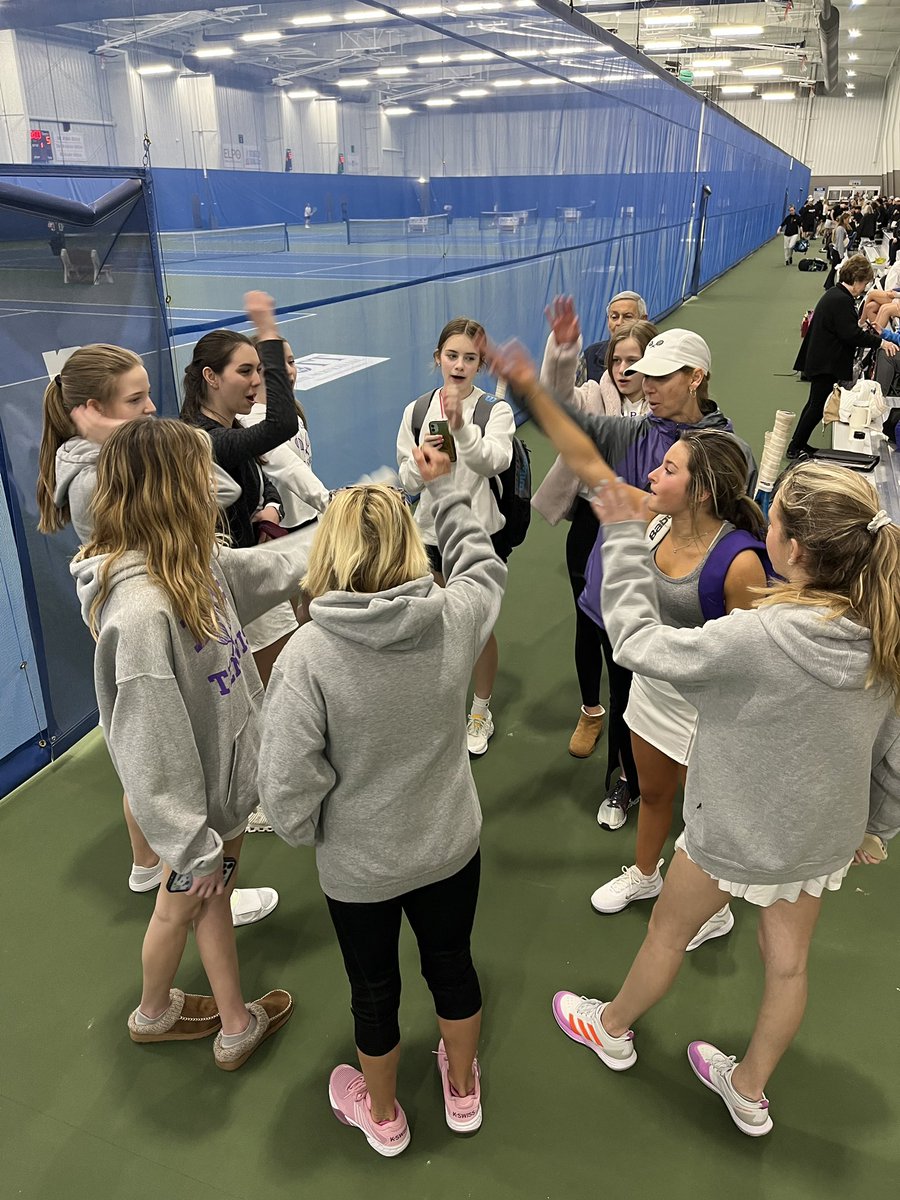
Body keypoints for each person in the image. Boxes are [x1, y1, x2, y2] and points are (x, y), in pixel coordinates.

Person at [550, 462, 900, 1138]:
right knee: (790, 965)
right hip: (819, 841)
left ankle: (612, 1027)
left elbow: (633, 643)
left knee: (667, 933)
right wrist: (873, 828)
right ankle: (748, 1089)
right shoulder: (884, 632)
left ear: (792, 550)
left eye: (771, 520)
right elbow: (892, 757)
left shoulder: (756, 636)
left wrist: (623, 536)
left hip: (729, 834)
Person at [257, 447, 506, 1156]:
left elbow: (286, 783)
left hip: (359, 867)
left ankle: (386, 1115)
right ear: (410, 542)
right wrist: (448, 491)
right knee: (452, 964)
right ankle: (462, 1090)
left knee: (373, 992)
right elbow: (484, 565)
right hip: (451, 845)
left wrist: (316, 831)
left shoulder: (308, 654)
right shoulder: (452, 618)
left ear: (326, 551)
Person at [72, 419, 315, 1067]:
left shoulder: (191, 561)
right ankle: (159, 1015)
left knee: (202, 904)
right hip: (196, 814)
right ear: (171, 490)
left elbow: (259, 569)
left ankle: (227, 1022)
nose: (217, 489)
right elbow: (149, 752)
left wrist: (330, 538)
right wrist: (191, 845)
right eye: (199, 476)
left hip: (221, 794)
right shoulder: (141, 614)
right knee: (178, 906)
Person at [36, 345, 276, 928]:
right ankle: (187, 875)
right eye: (136, 400)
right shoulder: (97, 478)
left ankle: (146, 862)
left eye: (149, 396)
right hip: (149, 617)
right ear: (94, 409)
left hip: (145, 610)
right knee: (165, 756)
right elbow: (220, 493)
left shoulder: (102, 457)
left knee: (139, 747)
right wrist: (153, 441)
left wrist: (125, 432)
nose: (151, 410)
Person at [495, 329, 756, 831]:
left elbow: (714, 532)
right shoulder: (637, 430)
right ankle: (627, 778)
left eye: (661, 376)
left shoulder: (725, 452)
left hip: (679, 609)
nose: (646, 384)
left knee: (686, 705)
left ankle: (689, 792)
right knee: (626, 694)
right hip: (619, 598)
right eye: (644, 375)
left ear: (695, 377)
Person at [584, 431, 769, 928]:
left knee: (705, 820)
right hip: (653, 689)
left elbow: (748, 659)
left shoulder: (740, 562)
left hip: (707, 709)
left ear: (702, 491)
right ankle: (646, 873)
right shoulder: (658, 520)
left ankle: (716, 911)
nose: (652, 476)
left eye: (668, 469)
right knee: (654, 791)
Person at [534, 296, 657, 761]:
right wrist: (564, 350)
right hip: (590, 523)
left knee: (636, 626)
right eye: (617, 360)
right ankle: (591, 709)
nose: (624, 368)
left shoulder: (662, 403)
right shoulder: (591, 394)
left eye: (634, 361)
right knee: (589, 624)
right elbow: (558, 398)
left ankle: (639, 713)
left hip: (648, 526)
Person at [396, 317, 514, 756]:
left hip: (476, 538)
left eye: (470, 358)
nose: (460, 364)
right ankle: (438, 706)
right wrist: (423, 462)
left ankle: (480, 710)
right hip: (427, 533)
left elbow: (494, 462)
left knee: (477, 626)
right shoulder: (415, 410)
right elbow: (408, 478)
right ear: (438, 359)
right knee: (432, 623)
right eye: (452, 356)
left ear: (480, 364)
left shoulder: (494, 411)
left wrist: (461, 427)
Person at [180, 292, 300, 687]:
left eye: (259, 371)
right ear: (211, 377)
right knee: (272, 693)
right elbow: (282, 425)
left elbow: (267, 483)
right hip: (230, 592)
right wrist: (267, 330)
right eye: (246, 371)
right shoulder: (201, 439)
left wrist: (270, 509)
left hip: (250, 579)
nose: (256, 381)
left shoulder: (232, 429)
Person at [787, 256, 893, 459]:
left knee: (814, 404)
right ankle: (795, 446)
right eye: (864, 283)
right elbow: (850, 334)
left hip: (822, 359)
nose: (863, 288)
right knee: (817, 406)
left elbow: (846, 329)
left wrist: (861, 328)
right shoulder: (841, 300)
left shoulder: (836, 295)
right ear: (856, 278)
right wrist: (880, 342)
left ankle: (798, 443)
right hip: (826, 362)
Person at [579, 291, 649, 385]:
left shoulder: (654, 353)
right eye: (614, 317)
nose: (619, 322)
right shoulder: (590, 356)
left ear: (643, 320)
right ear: (608, 321)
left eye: (628, 317)